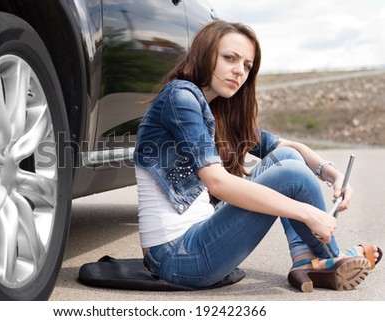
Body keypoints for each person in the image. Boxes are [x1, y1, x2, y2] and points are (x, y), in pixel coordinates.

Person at [133, 19, 381, 292]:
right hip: (177, 257)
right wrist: (309, 214)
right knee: (292, 175)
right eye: (230, 58)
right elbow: (218, 183)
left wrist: (330, 173)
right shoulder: (180, 97)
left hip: (199, 238)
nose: (239, 71)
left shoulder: (217, 108)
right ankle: (331, 257)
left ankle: (304, 258)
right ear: (204, 54)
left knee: (286, 158)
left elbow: (287, 146)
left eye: (247, 66)